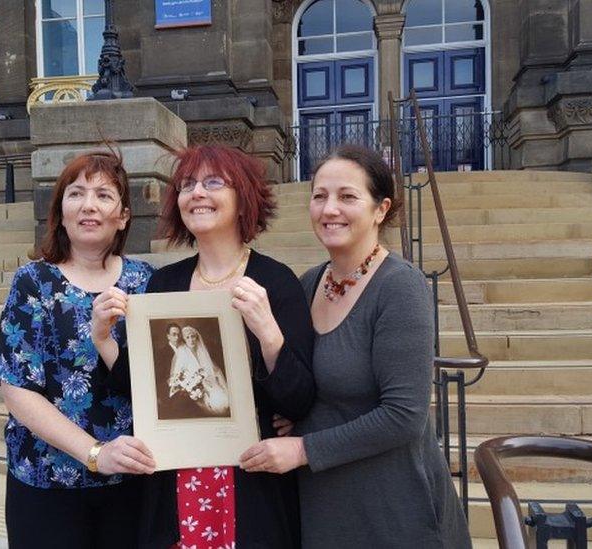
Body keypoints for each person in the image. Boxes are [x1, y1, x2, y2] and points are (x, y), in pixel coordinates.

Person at [240, 145, 472, 548]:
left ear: (380, 209)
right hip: (327, 504)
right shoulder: (310, 282)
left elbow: (404, 414)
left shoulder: (400, 287)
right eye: (320, 196)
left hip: (392, 505)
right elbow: (313, 383)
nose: (330, 209)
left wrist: (302, 447)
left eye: (347, 196)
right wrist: (298, 413)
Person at [92, 145, 315, 548]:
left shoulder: (276, 282)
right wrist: (103, 337)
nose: (197, 193)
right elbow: (137, 387)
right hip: (175, 476)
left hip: (251, 478)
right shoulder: (165, 283)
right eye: (187, 185)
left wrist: (267, 331)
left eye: (213, 183)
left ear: (242, 196)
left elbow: (298, 400)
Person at [0, 150, 157, 548]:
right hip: (46, 481)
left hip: (130, 481)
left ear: (123, 215)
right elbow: (17, 388)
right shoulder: (33, 281)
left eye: (104, 195)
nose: (89, 205)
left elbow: (161, 380)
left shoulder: (146, 282)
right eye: (76, 194)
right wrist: (95, 453)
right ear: (61, 212)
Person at [168, 325, 230, 416]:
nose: (191, 340)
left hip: (208, 383)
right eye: (187, 337)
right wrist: (194, 385)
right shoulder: (181, 352)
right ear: (184, 339)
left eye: (193, 336)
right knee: (213, 406)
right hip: (192, 386)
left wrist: (220, 385)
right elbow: (178, 375)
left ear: (197, 337)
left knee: (222, 401)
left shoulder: (201, 351)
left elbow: (215, 370)